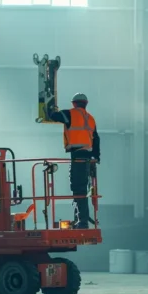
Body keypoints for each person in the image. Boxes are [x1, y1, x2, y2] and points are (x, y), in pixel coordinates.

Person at [47, 93, 100, 229]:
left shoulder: (70, 114)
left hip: (78, 156)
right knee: (81, 188)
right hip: (87, 157)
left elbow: (52, 116)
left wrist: (49, 105)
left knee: (78, 188)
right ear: (86, 103)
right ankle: (80, 220)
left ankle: (82, 222)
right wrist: (96, 157)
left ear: (74, 104)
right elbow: (96, 139)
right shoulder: (91, 118)